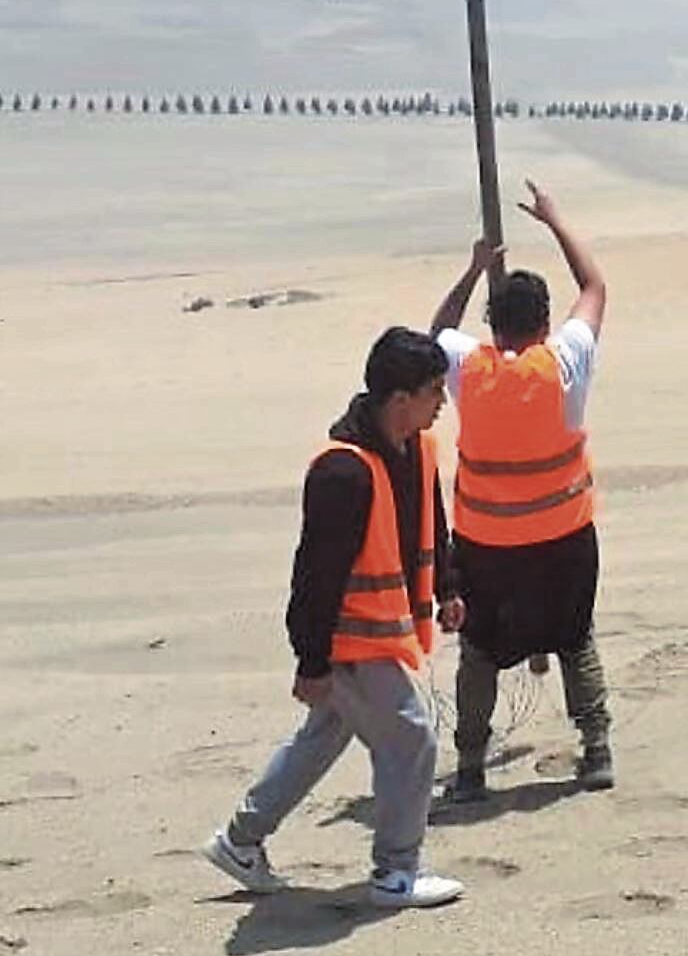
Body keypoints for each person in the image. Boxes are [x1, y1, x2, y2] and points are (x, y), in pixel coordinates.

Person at [200, 327, 464, 909]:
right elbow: (314, 574)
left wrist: (448, 587)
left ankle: (240, 841)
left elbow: (431, 524)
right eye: (434, 391)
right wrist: (311, 660)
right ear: (400, 400)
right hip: (350, 641)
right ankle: (396, 873)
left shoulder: (420, 448)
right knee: (411, 740)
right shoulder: (341, 472)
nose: (442, 402)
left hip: (379, 637)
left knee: (323, 738)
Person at [430, 180, 613, 802]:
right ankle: (595, 750)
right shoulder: (563, 363)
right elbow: (594, 289)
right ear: (542, 323)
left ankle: (472, 767)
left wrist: (473, 267)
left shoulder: (468, 369)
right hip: (563, 537)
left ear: (494, 326)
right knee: (574, 637)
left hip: (486, 544)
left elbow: (438, 330)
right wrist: (557, 221)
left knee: (480, 651)